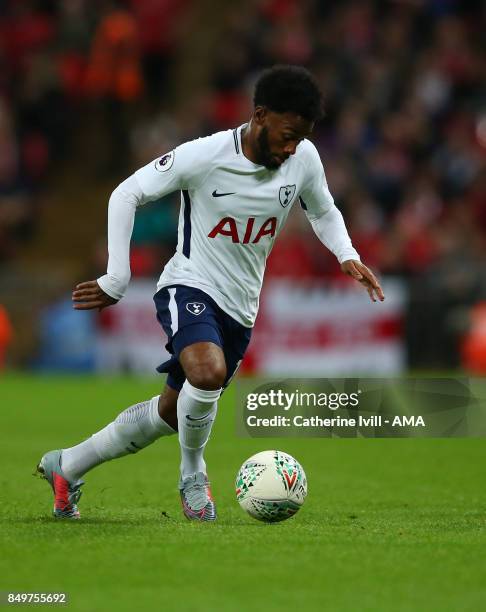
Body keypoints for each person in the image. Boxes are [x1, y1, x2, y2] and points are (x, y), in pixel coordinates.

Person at [37, 65, 384, 521]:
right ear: (259, 115)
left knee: (170, 412)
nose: (291, 146)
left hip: (241, 308)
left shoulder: (304, 159)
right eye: (286, 134)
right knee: (206, 373)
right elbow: (126, 194)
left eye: (300, 138)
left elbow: (322, 210)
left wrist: (345, 253)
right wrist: (116, 278)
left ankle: (69, 465)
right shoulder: (205, 156)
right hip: (189, 283)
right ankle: (193, 474)